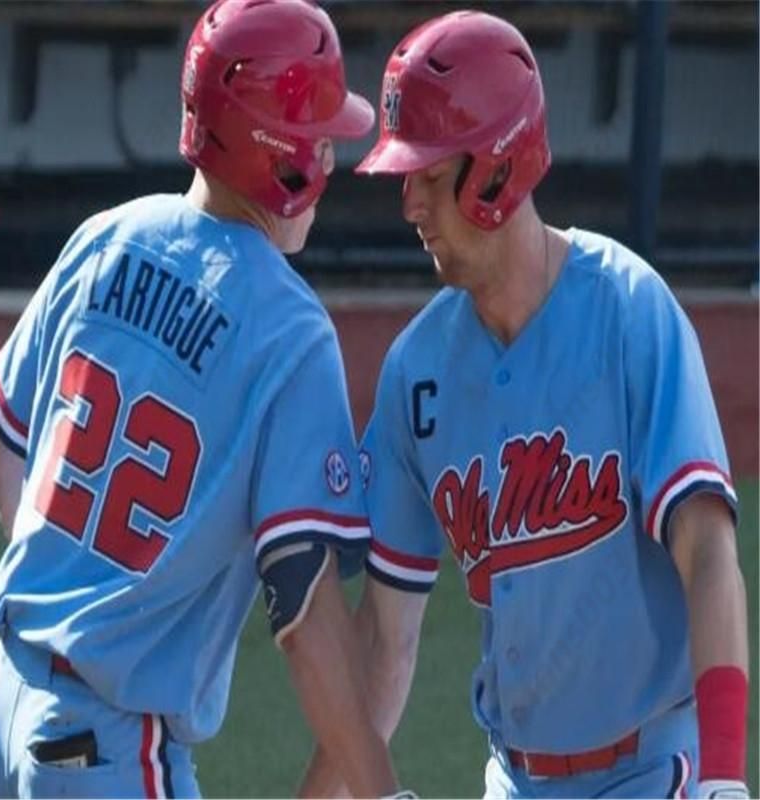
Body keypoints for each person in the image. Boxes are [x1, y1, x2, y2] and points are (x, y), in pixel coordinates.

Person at [300, 10, 750, 800]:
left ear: (497, 172)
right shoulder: (417, 371)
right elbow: (385, 639)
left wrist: (723, 776)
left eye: (429, 176)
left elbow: (707, 549)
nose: (409, 205)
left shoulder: (627, 310)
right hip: (513, 778)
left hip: (653, 773)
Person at [0, 1, 404, 797]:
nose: (330, 158)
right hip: (108, 746)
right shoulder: (288, 327)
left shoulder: (106, 236)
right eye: (317, 137)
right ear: (277, 154)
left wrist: (82, 608)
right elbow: (304, 607)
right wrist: (381, 791)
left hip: (6, 700)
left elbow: (5, 446)